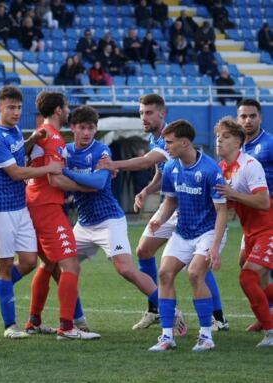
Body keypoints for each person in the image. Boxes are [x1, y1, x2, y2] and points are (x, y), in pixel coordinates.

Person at [28, 103, 160, 338]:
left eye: (91, 128)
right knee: (54, 265)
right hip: (85, 223)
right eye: (82, 128)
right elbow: (51, 172)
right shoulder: (65, 151)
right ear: (73, 128)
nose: (87, 133)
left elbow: (99, 183)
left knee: (125, 269)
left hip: (110, 220)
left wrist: (66, 172)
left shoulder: (101, 150)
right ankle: (75, 320)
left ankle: (169, 309)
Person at [97, 94, 227, 332]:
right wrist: (146, 190)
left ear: (161, 114)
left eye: (148, 113)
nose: (143, 117)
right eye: (140, 113)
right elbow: (162, 173)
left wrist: (114, 165)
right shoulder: (153, 137)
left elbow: (147, 162)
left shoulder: (171, 139)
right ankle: (155, 309)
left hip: (186, 204)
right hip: (172, 201)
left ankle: (217, 318)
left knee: (195, 265)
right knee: (143, 249)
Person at [0, 86, 62, 338]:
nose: (16, 112)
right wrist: (48, 169)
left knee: (29, 261)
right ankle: (10, 327)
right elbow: (16, 172)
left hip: (19, 207)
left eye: (19, 107)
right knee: (5, 267)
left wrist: (31, 140)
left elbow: (18, 152)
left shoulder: (15, 130)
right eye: (10, 107)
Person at [24, 93, 101, 340]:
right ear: (58, 110)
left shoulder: (41, 132)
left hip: (33, 202)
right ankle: (67, 327)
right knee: (71, 265)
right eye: (66, 107)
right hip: (46, 206)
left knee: (48, 264)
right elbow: (54, 178)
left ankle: (34, 321)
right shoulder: (54, 137)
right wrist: (86, 186)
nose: (68, 111)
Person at [147, 119, 227, 352]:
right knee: (164, 273)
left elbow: (222, 211)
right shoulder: (171, 167)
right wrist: (159, 218)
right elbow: (171, 200)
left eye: (169, 142)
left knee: (194, 274)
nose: (166, 146)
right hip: (183, 230)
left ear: (184, 142)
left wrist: (214, 247)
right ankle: (166, 336)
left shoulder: (210, 169)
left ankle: (206, 336)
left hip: (208, 231)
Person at [214, 117, 273, 347]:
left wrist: (232, 194)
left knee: (247, 278)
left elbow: (263, 202)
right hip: (250, 232)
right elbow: (225, 205)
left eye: (226, 136)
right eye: (218, 136)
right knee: (255, 281)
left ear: (238, 142)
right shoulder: (221, 168)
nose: (219, 140)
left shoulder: (250, 165)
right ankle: (265, 319)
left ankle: (269, 331)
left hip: (269, 228)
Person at [236, 99, 273, 332]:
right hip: (250, 216)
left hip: (268, 212)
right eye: (243, 116)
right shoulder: (237, 147)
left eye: (252, 116)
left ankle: (266, 318)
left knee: (255, 270)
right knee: (244, 264)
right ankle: (265, 313)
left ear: (260, 118)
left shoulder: (269, 144)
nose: (248, 120)